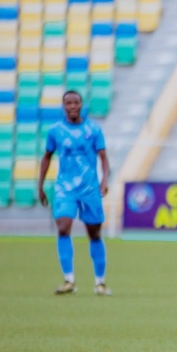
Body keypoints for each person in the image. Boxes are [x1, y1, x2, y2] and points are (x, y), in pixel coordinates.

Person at [38, 90, 112, 296]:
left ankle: (100, 282)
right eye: (68, 103)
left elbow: (104, 157)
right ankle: (69, 280)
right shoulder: (55, 131)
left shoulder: (93, 129)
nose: (72, 106)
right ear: (63, 106)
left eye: (75, 103)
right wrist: (40, 185)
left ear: (81, 105)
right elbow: (47, 157)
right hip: (65, 188)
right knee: (63, 228)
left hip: (89, 188)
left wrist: (105, 180)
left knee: (94, 234)